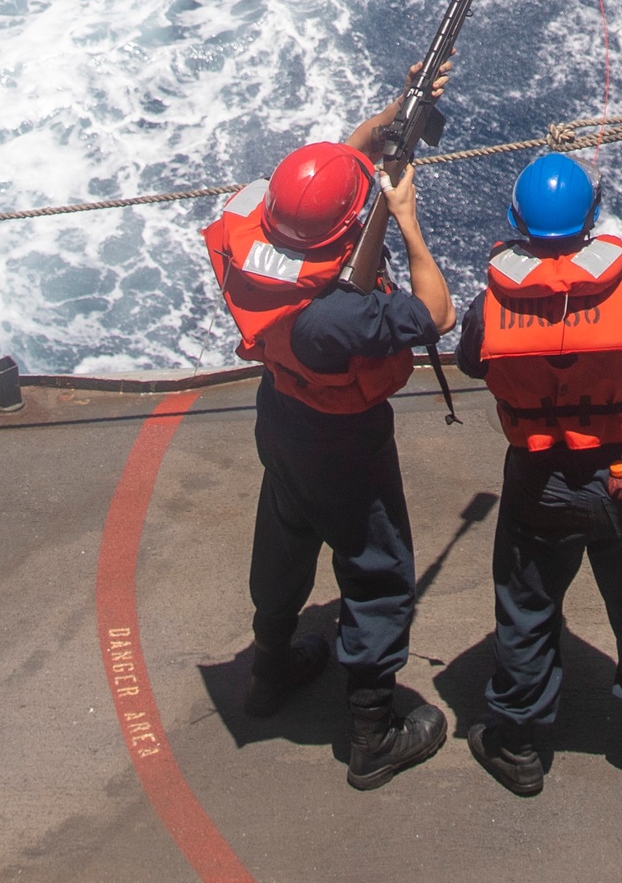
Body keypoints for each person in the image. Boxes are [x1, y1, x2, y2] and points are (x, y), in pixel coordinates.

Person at [203, 65, 456, 791]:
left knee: (284, 537)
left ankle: (270, 664)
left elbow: (330, 190)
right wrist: (405, 219)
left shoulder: (260, 248)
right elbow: (436, 313)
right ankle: (374, 732)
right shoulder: (342, 317)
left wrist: (395, 113)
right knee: (375, 571)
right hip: (345, 444)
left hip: (280, 419)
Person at [454, 153, 622, 796]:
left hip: (537, 477)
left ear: (515, 221)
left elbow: (472, 361)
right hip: (615, 474)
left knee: (527, 605)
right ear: (590, 220)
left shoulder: (489, 304)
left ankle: (522, 748)